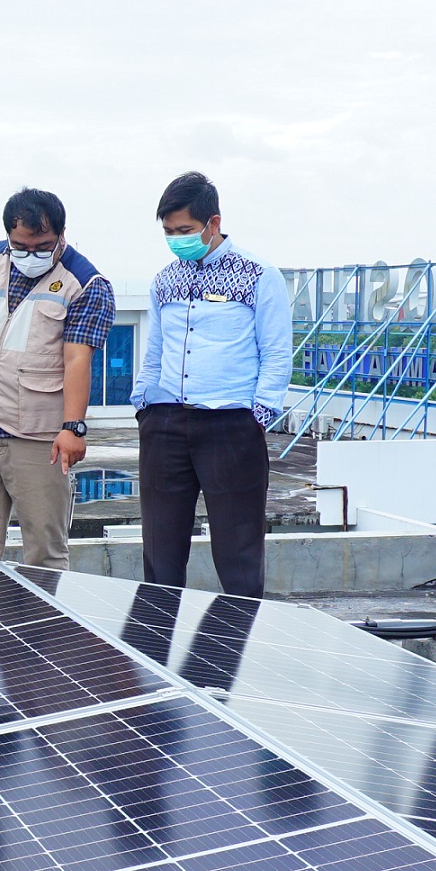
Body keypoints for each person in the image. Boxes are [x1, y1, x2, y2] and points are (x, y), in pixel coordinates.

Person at [134, 171, 292, 597]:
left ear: (213, 223)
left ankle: (231, 657)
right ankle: (154, 655)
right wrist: (142, 406)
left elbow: (276, 355)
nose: (176, 239)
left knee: (238, 556)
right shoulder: (165, 279)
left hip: (230, 426)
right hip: (164, 423)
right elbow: (155, 350)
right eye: (168, 232)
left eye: (185, 230)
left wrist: (257, 417)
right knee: (161, 555)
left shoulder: (258, 275)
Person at [0, 188, 112, 572]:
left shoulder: (86, 283)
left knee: (44, 550)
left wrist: (73, 428)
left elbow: (78, 357)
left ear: (61, 234)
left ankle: (46, 632)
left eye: (42, 246)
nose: (31, 255)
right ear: (9, 235)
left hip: (39, 437)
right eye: (20, 246)